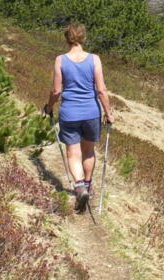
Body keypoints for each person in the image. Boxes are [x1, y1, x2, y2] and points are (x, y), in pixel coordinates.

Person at [43, 23, 115, 210]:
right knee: (89, 151)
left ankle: (79, 186)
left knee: (73, 152)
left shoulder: (61, 60)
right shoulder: (94, 59)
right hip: (91, 112)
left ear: (66, 38)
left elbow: (56, 90)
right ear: (84, 38)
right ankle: (88, 185)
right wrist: (109, 113)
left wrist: (49, 107)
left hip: (69, 113)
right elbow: (101, 90)